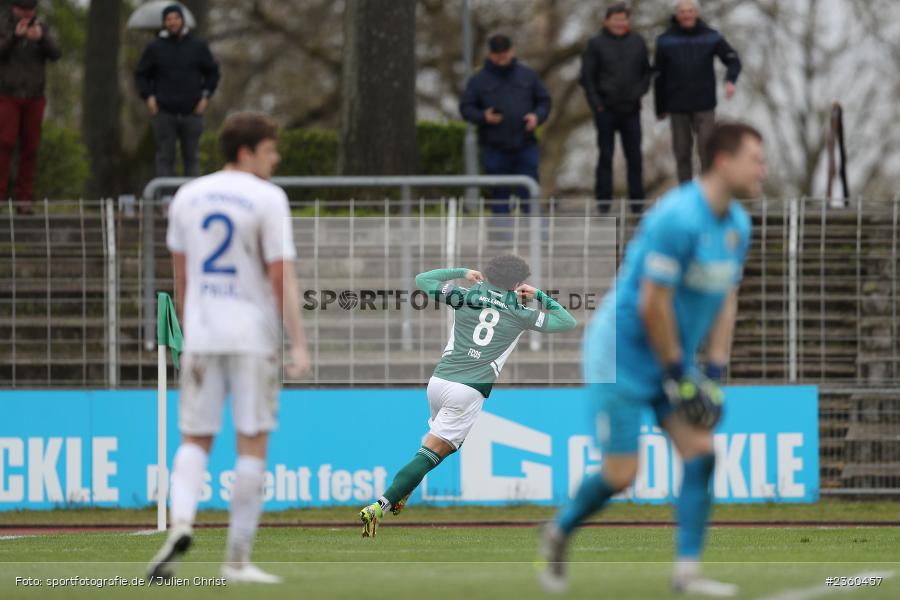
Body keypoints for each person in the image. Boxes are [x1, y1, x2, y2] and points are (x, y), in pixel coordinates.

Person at [537, 122, 765, 597]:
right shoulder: (677, 217)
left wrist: (715, 372)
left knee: (701, 455)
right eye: (754, 159)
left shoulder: (737, 225)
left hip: (672, 358)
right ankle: (559, 529)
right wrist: (679, 372)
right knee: (623, 474)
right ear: (724, 161)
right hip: (621, 353)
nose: (761, 168)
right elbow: (651, 304)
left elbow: (727, 298)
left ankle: (687, 574)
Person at [147, 112, 311, 584]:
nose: (275, 159)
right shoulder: (268, 198)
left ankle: (180, 523)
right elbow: (280, 275)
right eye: (270, 150)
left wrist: (187, 329)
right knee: (252, 440)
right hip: (252, 335)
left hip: (201, 333)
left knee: (195, 438)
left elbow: (180, 275)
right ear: (247, 152)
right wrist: (297, 341)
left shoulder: (187, 195)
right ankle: (237, 560)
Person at [358, 255, 576, 537]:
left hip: (439, 382)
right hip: (468, 389)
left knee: (436, 446)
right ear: (518, 283)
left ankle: (403, 492)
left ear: (486, 274)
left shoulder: (464, 295)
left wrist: (462, 272)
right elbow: (567, 321)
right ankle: (380, 506)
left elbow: (423, 280)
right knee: (432, 453)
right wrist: (539, 295)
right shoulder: (521, 313)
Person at [460, 35, 551, 213]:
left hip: (525, 145)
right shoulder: (478, 80)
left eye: (505, 52)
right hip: (494, 148)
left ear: (512, 51)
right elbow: (466, 108)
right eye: (497, 53)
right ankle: (501, 239)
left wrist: (537, 116)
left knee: (530, 193)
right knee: (499, 195)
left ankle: (535, 237)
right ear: (490, 54)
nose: (502, 57)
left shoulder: (528, 75)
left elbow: (544, 101)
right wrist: (483, 116)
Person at [654, 0, 742, 183]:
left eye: (691, 11)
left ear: (697, 13)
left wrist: (730, 80)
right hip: (677, 107)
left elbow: (733, 59)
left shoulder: (711, 36)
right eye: (683, 11)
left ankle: (708, 195)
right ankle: (686, 196)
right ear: (677, 15)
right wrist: (660, 107)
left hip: (704, 105)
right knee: (682, 153)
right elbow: (658, 75)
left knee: (707, 150)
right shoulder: (665, 40)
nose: (687, 15)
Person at [580, 2, 651, 214]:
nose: (620, 23)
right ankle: (603, 204)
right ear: (607, 21)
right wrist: (597, 104)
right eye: (616, 19)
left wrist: (639, 92)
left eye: (623, 19)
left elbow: (646, 72)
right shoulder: (595, 44)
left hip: (631, 110)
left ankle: (637, 204)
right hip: (606, 110)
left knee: (635, 157)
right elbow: (586, 77)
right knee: (605, 156)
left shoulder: (638, 42)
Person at [135, 3, 220, 178]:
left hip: (192, 112)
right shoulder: (155, 48)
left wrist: (205, 96)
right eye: (168, 19)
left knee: (192, 158)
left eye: (176, 18)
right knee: (165, 157)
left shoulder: (198, 46)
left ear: (182, 20)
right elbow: (141, 74)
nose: (173, 22)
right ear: (164, 22)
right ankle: (166, 202)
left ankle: (193, 200)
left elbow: (212, 73)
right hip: (164, 112)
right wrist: (149, 97)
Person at [0, 0, 61, 215]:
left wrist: (41, 39)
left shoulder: (40, 27)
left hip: (34, 96)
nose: (26, 14)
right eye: (22, 10)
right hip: (8, 95)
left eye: (30, 10)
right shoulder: (4, 26)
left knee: (30, 148)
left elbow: (55, 54)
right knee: (4, 145)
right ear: (14, 9)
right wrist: (15, 38)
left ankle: (24, 200)